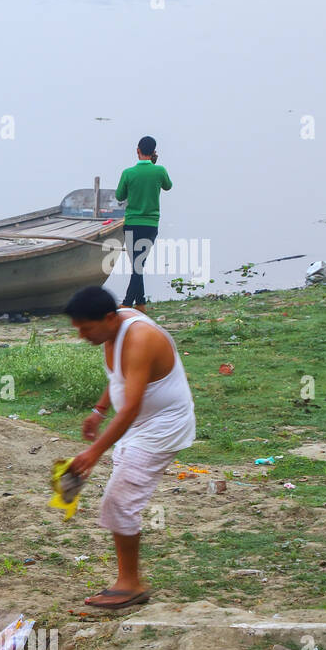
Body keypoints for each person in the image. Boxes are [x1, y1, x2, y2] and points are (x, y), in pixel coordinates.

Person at [64, 286, 195, 609]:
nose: (81, 336)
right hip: (136, 427)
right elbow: (120, 379)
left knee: (118, 501)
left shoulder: (140, 338)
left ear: (109, 317)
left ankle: (131, 584)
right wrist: (98, 410)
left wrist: (94, 453)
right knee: (119, 498)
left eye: (85, 328)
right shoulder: (113, 331)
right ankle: (128, 579)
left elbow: (132, 407)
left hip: (162, 426)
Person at [114, 136, 172, 311]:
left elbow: (119, 196)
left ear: (137, 150)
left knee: (137, 265)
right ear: (154, 152)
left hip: (132, 223)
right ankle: (140, 304)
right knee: (138, 264)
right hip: (150, 225)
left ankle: (127, 302)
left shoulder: (128, 173)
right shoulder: (159, 170)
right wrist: (154, 164)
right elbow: (168, 186)